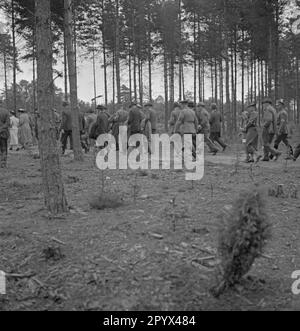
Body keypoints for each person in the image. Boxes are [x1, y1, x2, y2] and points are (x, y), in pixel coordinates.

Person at [0, 101, 10, 168]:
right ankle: (3, 163)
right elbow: (7, 123)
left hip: (2, 131)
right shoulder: (6, 111)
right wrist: (1, 129)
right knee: (4, 148)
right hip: (3, 132)